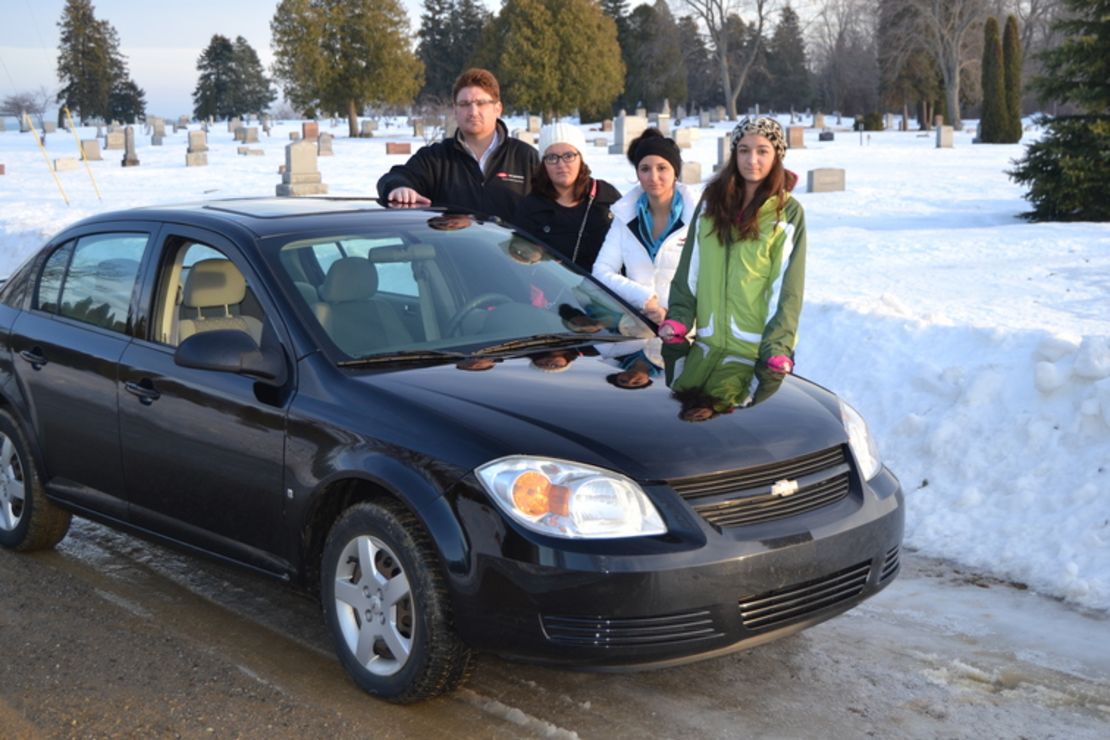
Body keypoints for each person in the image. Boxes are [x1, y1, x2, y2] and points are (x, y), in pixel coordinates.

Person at [660, 116, 806, 375]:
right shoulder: (710, 202)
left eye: (762, 151)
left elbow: (787, 287)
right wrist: (680, 317)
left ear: (777, 156)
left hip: (759, 356)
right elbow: (690, 267)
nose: (752, 160)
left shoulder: (788, 213)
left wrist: (777, 348)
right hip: (708, 350)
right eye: (744, 150)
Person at [376, 68, 539, 222]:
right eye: (465, 104)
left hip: (509, 252)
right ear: (455, 110)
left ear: (498, 108)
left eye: (481, 103)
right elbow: (395, 177)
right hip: (451, 251)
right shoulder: (436, 158)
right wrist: (398, 187)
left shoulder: (526, 157)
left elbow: (550, 208)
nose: (473, 111)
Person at [592, 128, 696, 325]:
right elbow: (602, 270)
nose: (653, 177)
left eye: (662, 168)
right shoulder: (625, 216)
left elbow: (707, 280)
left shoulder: (699, 217)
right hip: (639, 326)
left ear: (675, 172)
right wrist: (644, 299)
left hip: (686, 331)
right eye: (645, 169)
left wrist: (674, 315)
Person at [512, 123, 620, 269]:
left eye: (568, 156)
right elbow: (520, 262)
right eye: (551, 157)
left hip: (603, 289)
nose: (561, 164)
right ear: (543, 164)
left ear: (581, 158)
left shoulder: (605, 196)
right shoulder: (531, 207)